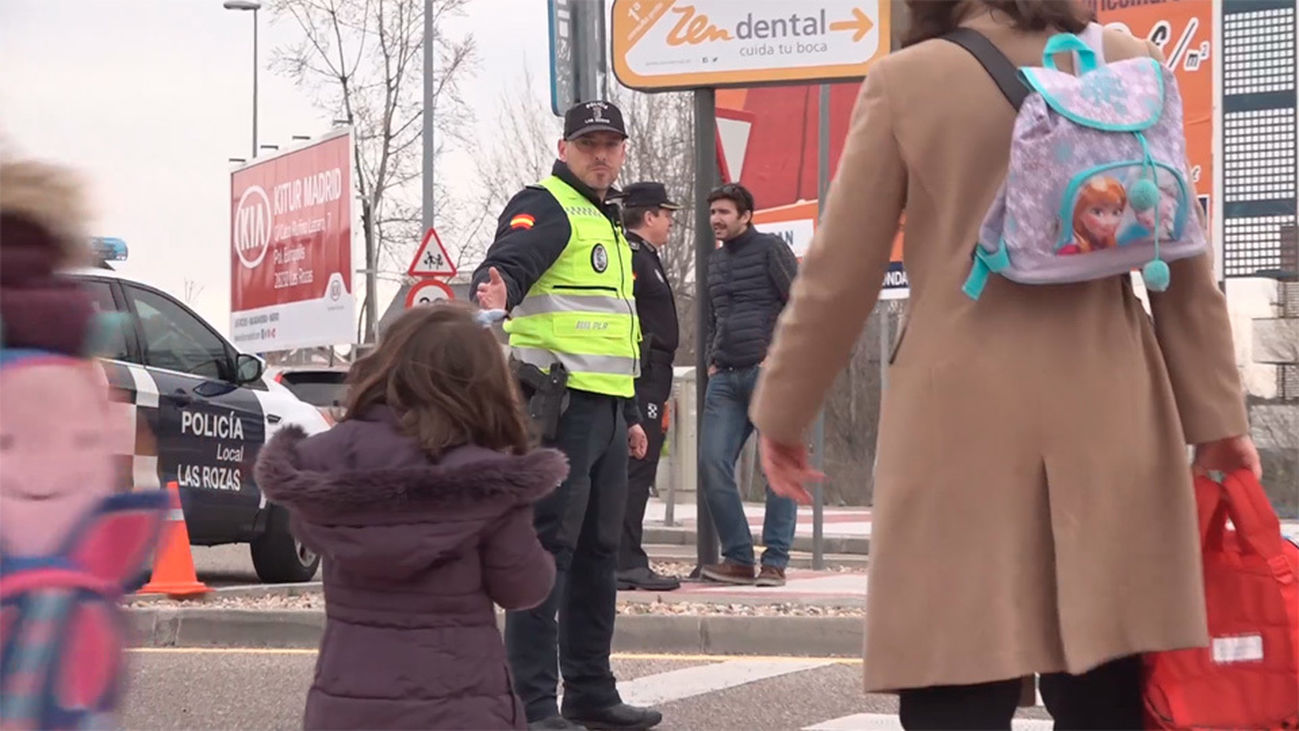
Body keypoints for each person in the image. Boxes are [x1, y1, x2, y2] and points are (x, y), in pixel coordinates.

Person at [749, 1, 1263, 728]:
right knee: (1107, 667)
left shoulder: (909, 80)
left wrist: (783, 411)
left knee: (957, 660)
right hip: (1109, 399)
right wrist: (1218, 418)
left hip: (957, 410)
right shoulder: (1122, 57)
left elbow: (840, 273)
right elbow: (1179, 254)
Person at [253, 303, 565, 730]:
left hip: (347, 707)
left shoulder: (325, 464)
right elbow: (524, 587)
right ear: (484, 385)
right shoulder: (487, 479)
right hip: (462, 709)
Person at [471, 100, 661, 731]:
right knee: (547, 554)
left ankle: (590, 694)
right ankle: (531, 704)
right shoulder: (549, 203)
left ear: (624, 151)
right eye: (588, 144)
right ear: (564, 147)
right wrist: (496, 286)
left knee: (599, 557)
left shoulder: (608, 222)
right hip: (558, 412)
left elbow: (613, 329)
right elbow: (509, 261)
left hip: (606, 413)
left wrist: (630, 413)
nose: (600, 154)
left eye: (610, 144)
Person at [698, 182, 799, 588]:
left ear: (745, 216)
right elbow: (714, 316)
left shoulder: (771, 249)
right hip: (725, 377)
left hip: (768, 373)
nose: (716, 220)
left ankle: (775, 561)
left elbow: (802, 301)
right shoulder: (716, 262)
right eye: (712, 213)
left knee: (778, 467)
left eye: (724, 212)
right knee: (711, 461)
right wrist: (710, 360)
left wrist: (780, 355)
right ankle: (738, 558)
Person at [617, 181, 682, 592]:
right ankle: (625, 561)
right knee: (635, 470)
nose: (671, 222)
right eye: (666, 214)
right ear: (650, 215)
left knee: (637, 470)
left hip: (653, 373)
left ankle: (624, 557)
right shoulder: (632, 256)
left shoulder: (647, 257)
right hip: (641, 374)